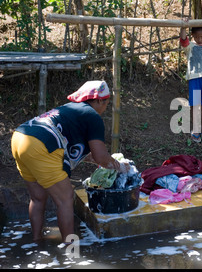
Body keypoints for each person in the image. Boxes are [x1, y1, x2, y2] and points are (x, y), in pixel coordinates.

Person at [10, 80, 129, 243]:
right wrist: (120, 166)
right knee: (65, 199)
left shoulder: (70, 109)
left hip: (20, 138)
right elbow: (101, 157)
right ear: (100, 100)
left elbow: (84, 152)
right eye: (107, 102)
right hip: (42, 144)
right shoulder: (93, 116)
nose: (105, 107)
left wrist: (102, 161)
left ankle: (36, 241)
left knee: (37, 198)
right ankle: (70, 251)